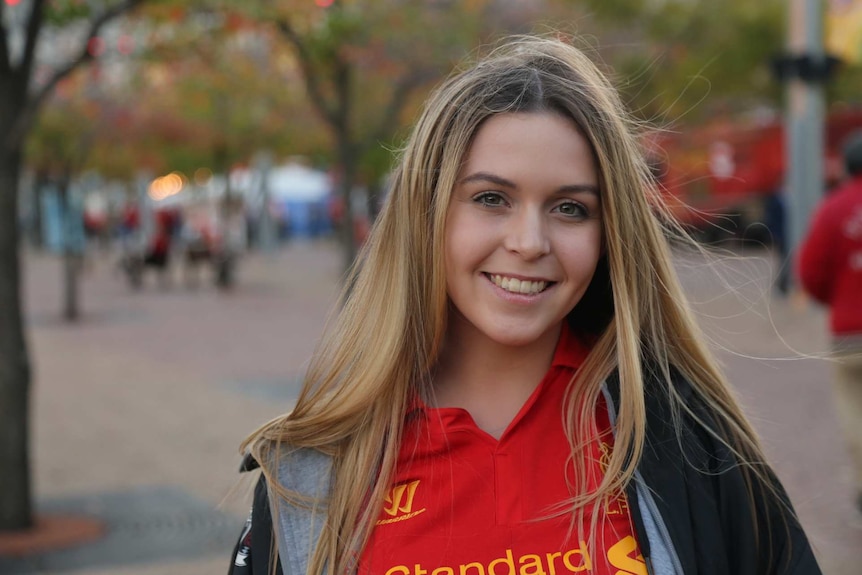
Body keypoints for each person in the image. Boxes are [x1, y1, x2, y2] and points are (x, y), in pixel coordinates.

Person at [229, 36, 820, 575]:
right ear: (426, 214)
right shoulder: (314, 470)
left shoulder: (690, 444)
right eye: (491, 198)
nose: (530, 242)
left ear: (610, 233)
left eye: (570, 209)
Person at [798, 130, 862, 513]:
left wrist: (835, 300)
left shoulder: (833, 208)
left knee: (856, 414)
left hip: (850, 335)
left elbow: (811, 273)